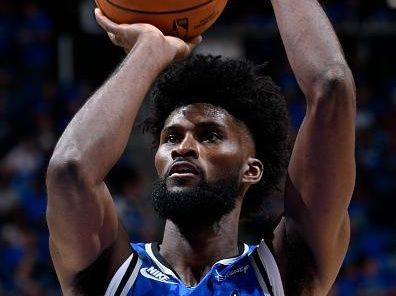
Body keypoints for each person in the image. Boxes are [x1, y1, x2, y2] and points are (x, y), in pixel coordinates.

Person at [46, 0, 356, 295]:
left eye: (209, 136)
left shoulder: (287, 273)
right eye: (171, 138)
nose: (184, 147)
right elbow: (69, 171)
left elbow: (332, 87)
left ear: (251, 169)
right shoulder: (109, 275)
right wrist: (150, 51)